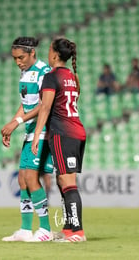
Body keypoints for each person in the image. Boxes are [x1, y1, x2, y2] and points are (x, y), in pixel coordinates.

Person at [32, 37, 87, 242]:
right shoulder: (71, 76)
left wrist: (37, 135)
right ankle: (68, 228)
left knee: (67, 180)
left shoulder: (51, 76)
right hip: (76, 131)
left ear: (55, 54)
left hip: (63, 133)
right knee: (62, 179)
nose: (47, 53)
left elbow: (45, 107)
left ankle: (78, 231)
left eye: (49, 50)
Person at [1, 37, 53, 242]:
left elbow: (43, 105)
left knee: (31, 178)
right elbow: (26, 103)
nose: (17, 62)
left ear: (32, 53)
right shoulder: (25, 73)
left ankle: (46, 229)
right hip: (30, 131)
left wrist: (17, 122)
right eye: (14, 58)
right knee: (22, 178)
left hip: (43, 132)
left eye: (21, 57)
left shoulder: (44, 73)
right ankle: (24, 229)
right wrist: (12, 125)